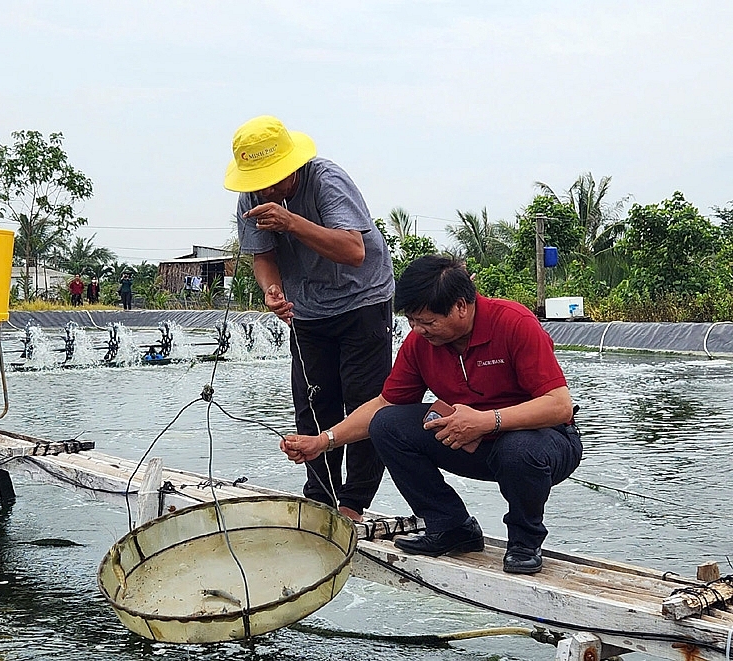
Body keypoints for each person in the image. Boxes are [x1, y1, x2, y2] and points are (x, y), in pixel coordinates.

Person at [281, 255, 582, 574]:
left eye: (427, 321)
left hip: (546, 444)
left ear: (462, 307)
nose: (418, 330)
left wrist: (486, 420)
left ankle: (524, 542)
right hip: (475, 442)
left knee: (518, 449)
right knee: (388, 425)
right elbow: (384, 405)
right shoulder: (420, 344)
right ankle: (451, 526)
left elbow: (558, 405)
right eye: (412, 320)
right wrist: (324, 441)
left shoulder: (513, 322)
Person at [225, 115, 395, 522]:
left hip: (362, 300)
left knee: (365, 403)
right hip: (308, 310)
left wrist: (292, 222)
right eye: (258, 180)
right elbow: (262, 256)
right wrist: (271, 290)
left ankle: (354, 504)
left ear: (292, 164)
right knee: (315, 405)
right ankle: (320, 499)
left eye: (274, 177)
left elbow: (354, 251)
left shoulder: (326, 181)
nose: (266, 188)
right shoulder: (251, 197)